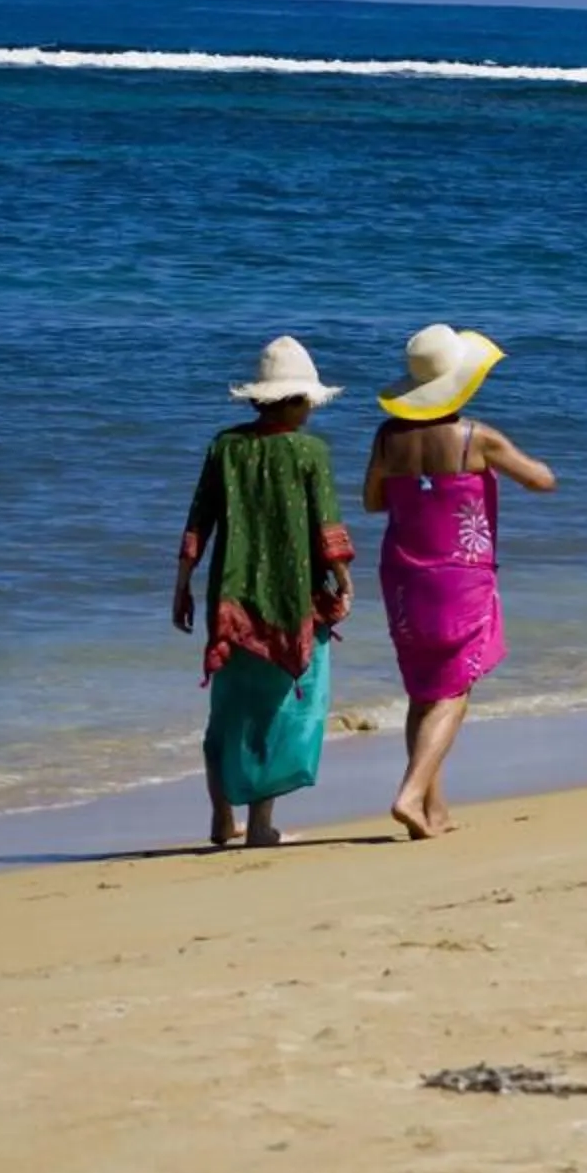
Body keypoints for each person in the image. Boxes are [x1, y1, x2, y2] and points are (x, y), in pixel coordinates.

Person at [364, 322, 555, 839]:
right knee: (455, 689)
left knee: (423, 689)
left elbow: (373, 501)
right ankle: (409, 794)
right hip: (459, 576)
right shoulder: (477, 437)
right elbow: (541, 480)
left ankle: (434, 812)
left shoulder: (387, 438)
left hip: (402, 572)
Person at [172, 336, 355, 848]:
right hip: (290, 599)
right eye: (308, 401)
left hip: (229, 602)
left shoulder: (226, 447)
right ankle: (258, 824)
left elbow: (198, 522)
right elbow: (326, 527)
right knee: (280, 709)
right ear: (295, 401)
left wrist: (181, 586)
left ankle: (220, 816)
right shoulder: (309, 451)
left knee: (229, 711)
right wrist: (343, 581)